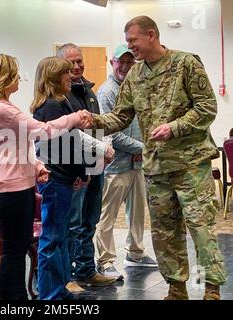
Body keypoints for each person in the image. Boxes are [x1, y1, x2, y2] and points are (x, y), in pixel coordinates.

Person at [84, 16, 227, 300]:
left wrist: (175, 128)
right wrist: (91, 120)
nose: (130, 47)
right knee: (164, 233)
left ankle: (210, 289)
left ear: (151, 35)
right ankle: (176, 288)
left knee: (201, 229)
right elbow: (121, 117)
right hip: (156, 168)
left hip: (190, 164)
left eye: (133, 41)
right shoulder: (135, 76)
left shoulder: (186, 63)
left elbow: (207, 107)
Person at [0, 54, 88, 300]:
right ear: (5, 78)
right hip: (11, 190)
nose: (19, 79)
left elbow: (17, 145)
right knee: (14, 250)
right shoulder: (1, 109)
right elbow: (44, 130)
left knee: (17, 248)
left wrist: (36, 166)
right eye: (15, 75)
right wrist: (75, 118)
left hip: (14, 186)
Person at [31, 56, 110, 299]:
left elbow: (71, 143)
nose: (72, 76)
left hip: (64, 177)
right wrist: (81, 171)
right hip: (56, 180)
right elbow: (68, 145)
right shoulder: (51, 107)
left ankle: (60, 287)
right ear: (54, 77)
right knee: (53, 240)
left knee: (62, 237)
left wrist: (81, 172)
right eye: (66, 73)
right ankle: (51, 294)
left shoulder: (60, 103)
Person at [95, 44, 157, 280]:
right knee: (107, 216)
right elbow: (111, 133)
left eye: (130, 62)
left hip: (137, 164)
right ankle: (105, 260)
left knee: (137, 213)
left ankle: (136, 254)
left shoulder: (135, 87)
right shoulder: (108, 92)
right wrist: (143, 148)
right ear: (112, 62)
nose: (125, 66)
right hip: (115, 166)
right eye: (121, 61)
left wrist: (142, 150)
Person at [57, 43, 116, 287]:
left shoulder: (89, 92)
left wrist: (104, 152)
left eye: (80, 61)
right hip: (75, 170)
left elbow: (97, 128)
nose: (78, 65)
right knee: (73, 223)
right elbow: (69, 137)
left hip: (95, 167)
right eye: (72, 62)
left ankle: (86, 269)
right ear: (60, 65)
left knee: (89, 222)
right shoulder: (60, 95)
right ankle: (68, 275)